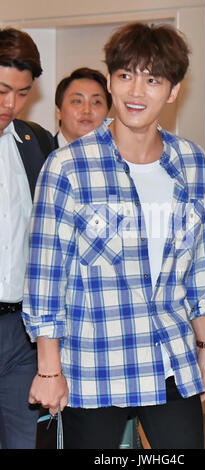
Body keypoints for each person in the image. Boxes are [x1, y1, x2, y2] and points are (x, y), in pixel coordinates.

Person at [22, 22, 205, 449]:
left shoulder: (191, 163)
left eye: (152, 80)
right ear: (111, 81)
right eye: (126, 75)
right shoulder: (68, 167)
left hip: (169, 357)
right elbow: (45, 276)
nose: (136, 91)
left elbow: (201, 262)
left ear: (173, 91)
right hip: (94, 366)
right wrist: (48, 369)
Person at [0, 27, 54, 449]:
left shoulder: (34, 142)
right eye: (1, 90)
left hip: (22, 333)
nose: (10, 104)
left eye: (22, 93)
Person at [54, 67, 112, 146]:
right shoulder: (40, 156)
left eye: (96, 102)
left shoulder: (118, 156)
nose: (87, 110)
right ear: (58, 111)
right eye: (77, 101)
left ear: (107, 113)